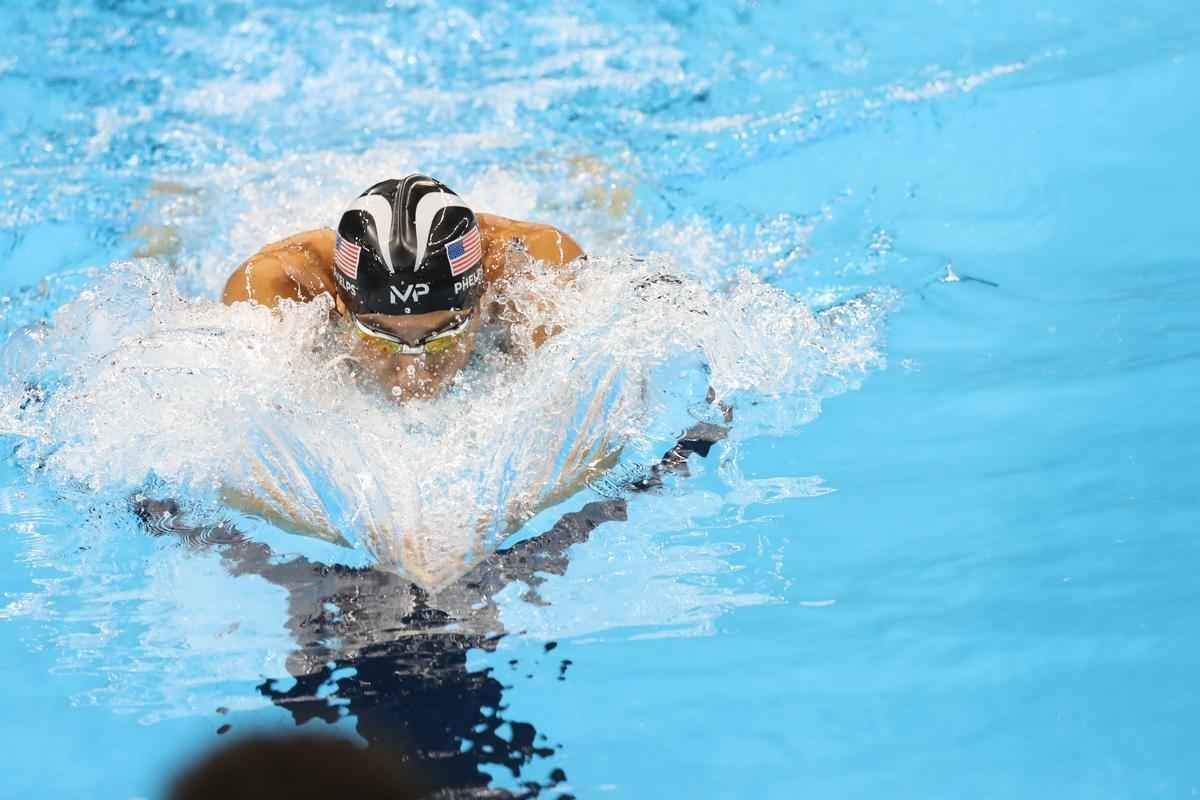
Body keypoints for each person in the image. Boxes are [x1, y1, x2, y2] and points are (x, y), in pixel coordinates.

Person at [221, 173, 585, 400]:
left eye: (443, 335)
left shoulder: (535, 270)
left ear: (483, 292)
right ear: (341, 304)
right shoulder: (276, 288)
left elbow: (579, 411)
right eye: (380, 338)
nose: (413, 376)